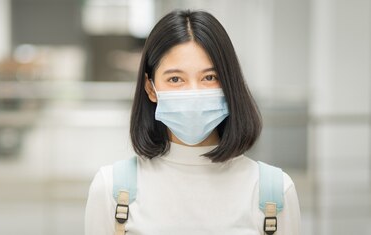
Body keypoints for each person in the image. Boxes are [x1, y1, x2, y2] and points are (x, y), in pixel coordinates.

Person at [84, 10, 301, 234]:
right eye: (175, 79)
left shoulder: (274, 192)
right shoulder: (110, 189)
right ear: (151, 88)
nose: (194, 93)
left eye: (209, 77)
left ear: (229, 83)